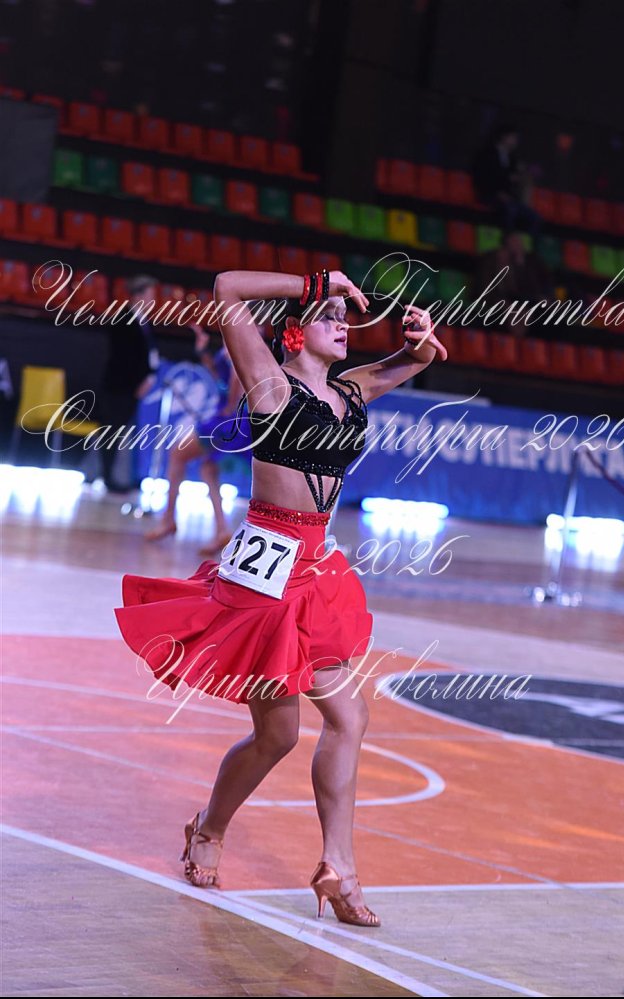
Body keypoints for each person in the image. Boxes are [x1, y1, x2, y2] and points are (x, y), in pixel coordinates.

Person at [114, 267, 447, 926]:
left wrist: (420, 340)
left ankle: (338, 867)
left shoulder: (351, 389)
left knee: (345, 718)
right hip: (265, 577)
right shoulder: (269, 382)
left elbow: (416, 360)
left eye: (346, 319)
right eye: (328, 316)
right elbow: (226, 288)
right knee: (278, 735)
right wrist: (316, 282)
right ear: (295, 330)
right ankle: (209, 827)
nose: (343, 326)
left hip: (316, 570)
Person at [145, 321, 247, 556]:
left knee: (177, 454)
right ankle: (221, 529)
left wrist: (230, 407)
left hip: (227, 421)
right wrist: (203, 352)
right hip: (231, 419)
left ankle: (168, 520)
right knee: (208, 470)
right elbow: (222, 375)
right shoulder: (235, 339)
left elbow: (237, 377)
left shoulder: (240, 337)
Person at [98, 274, 161, 492]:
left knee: (128, 433)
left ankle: (125, 476)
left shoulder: (145, 322)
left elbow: (149, 355)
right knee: (111, 432)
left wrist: (150, 376)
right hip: (119, 388)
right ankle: (108, 478)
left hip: (134, 389)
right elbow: (123, 357)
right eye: (150, 295)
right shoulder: (122, 319)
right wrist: (138, 382)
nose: (153, 301)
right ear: (138, 295)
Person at [472, 231, 556, 335]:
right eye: (513, 242)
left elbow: (530, 289)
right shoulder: (490, 260)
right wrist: (504, 305)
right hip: (496, 302)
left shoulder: (526, 261)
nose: (517, 246)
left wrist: (520, 265)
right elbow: (484, 289)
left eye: (519, 243)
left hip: (521, 302)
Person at [472, 123, 541, 237]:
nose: (515, 141)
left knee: (534, 217)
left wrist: (526, 174)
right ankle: (507, 241)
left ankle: (523, 244)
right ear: (504, 137)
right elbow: (485, 178)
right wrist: (499, 191)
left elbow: (516, 174)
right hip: (490, 195)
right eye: (513, 137)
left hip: (509, 199)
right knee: (510, 210)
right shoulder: (487, 154)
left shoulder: (511, 158)